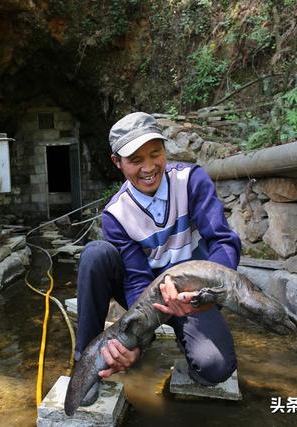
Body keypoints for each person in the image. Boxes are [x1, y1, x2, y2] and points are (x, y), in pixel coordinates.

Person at [75, 112, 241, 405]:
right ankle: (85, 359)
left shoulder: (192, 181)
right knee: (95, 254)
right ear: (117, 162)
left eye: (156, 154)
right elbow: (136, 279)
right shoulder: (116, 214)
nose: (149, 167)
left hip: (194, 295)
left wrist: (205, 294)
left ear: (165, 150)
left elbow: (223, 242)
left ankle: (183, 333)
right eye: (135, 161)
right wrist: (137, 343)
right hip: (145, 295)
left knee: (216, 368)